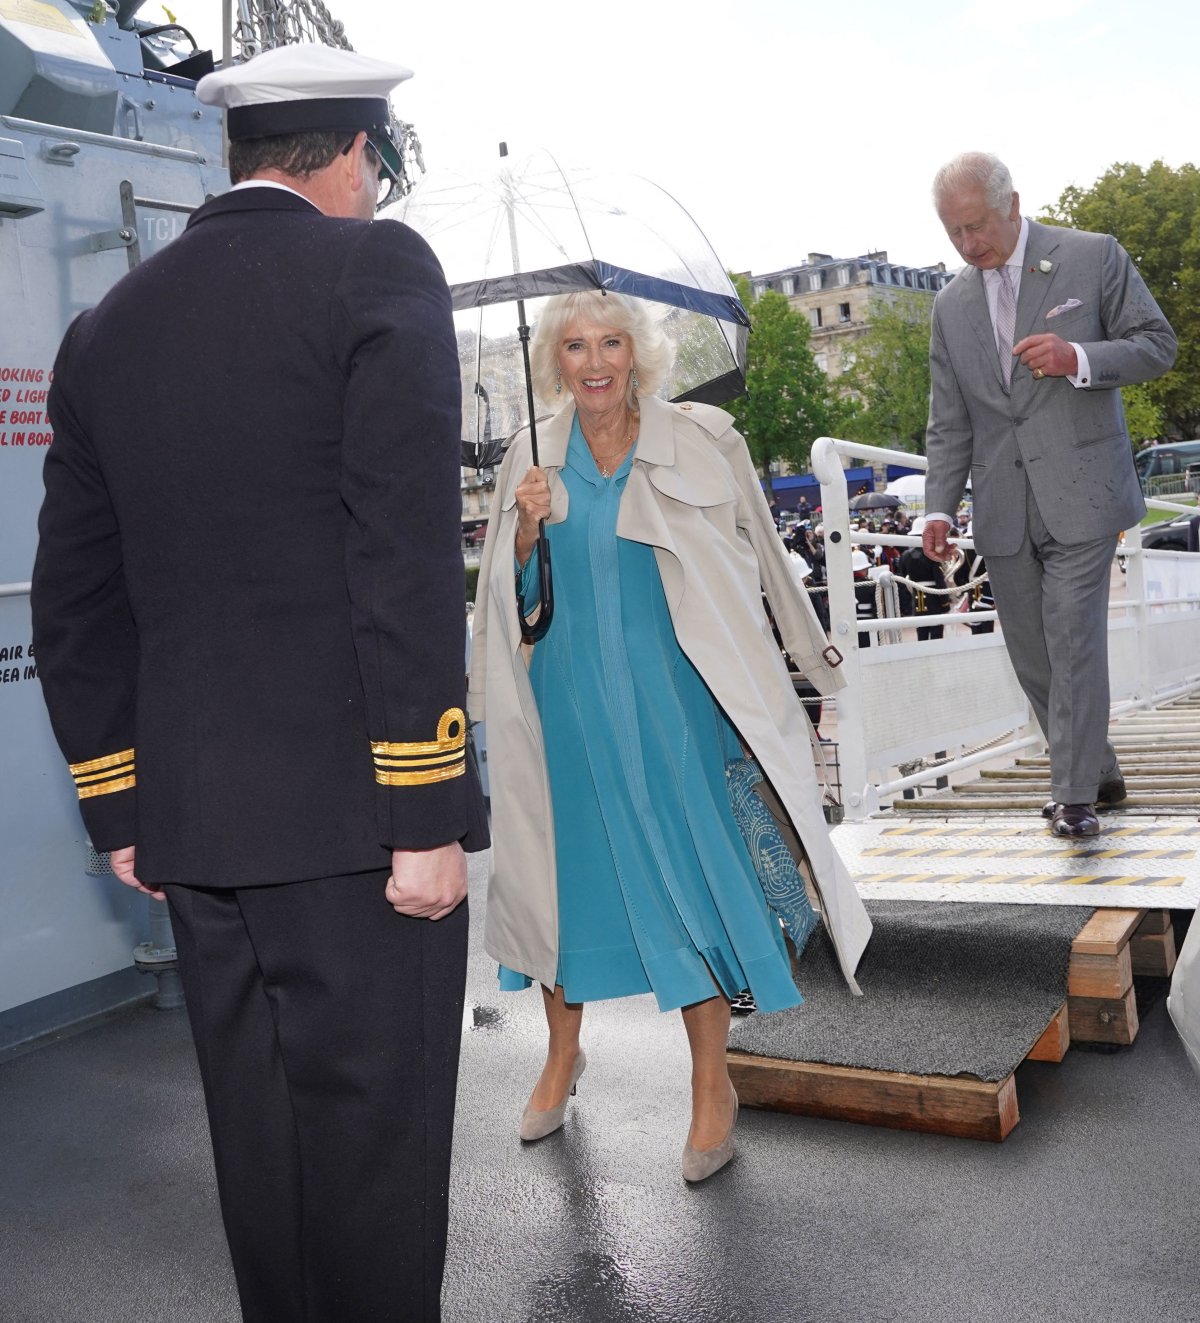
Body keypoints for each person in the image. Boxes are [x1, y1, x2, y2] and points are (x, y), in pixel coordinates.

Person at [30, 44, 488, 1323]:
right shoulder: (375, 270)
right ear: (353, 156)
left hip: (197, 830)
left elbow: (73, 598)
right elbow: (396, 555)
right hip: (356, 824)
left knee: (265, 1152)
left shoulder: (107, 326)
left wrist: (121, 807)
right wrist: (425, 811)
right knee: (376, 1166)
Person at [468, 290, 869, 1182]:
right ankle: (562, 1056)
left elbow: (760, 557)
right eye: (575, 345)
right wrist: (528, 532)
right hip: (566, 707)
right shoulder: (528, 459)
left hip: (678, 697)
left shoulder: (702, 440)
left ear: (638, 353)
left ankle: (710, 1085)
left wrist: (811, 661)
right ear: (553, 361)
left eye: (612, 341)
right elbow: (513, 611)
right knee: (557, 882)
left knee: (695, 880)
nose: (595, 360)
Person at [923, 151, 1177, 837]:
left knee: (1071, 639)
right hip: (1002, 506)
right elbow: (949, 418)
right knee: (1032, 653)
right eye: (954, 233)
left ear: (1012, 204)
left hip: (1085, 494)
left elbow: (1158, 345)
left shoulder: (1093, 257)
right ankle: (1098, 770)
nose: (969, 245)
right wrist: (939, 506)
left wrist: (1079, 360)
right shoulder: (948, 305)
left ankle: (1072, 798)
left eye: (977, 226)